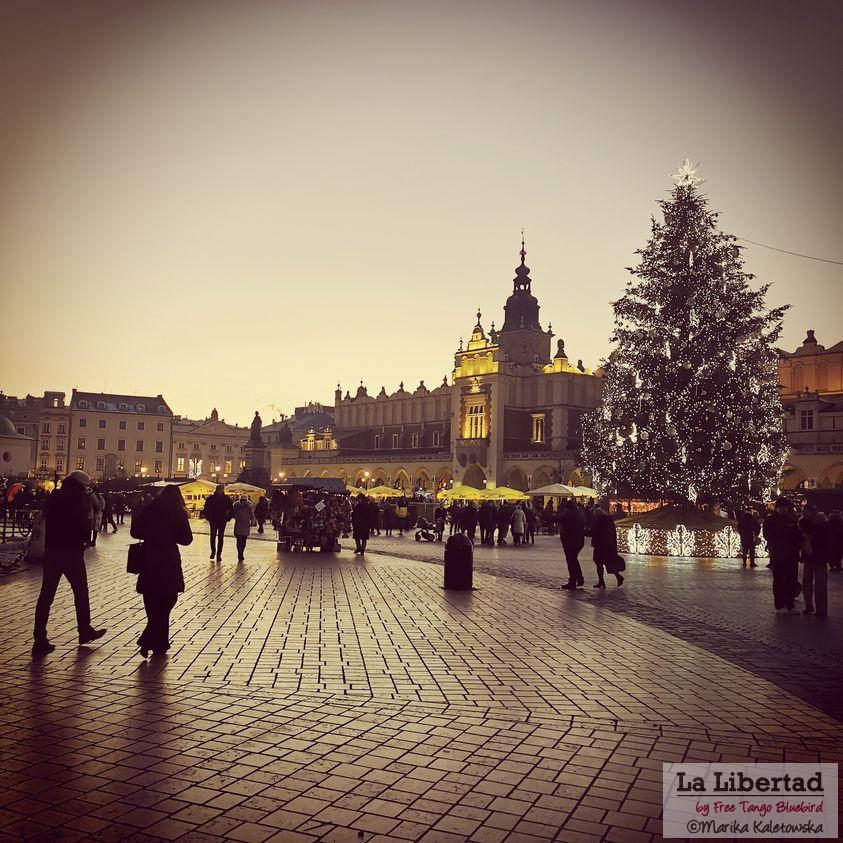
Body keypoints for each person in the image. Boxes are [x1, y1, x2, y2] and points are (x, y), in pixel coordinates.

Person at [33, 471, 106, 655]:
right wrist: (84, 541)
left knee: (46, 595)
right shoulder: (80, 498)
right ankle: (84, 630)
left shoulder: (55, 496)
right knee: (81, 592)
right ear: (82, 484)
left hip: (52, 550)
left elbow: (46, 517)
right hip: (71, 551)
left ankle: (39, 637)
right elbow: (85, 524)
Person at [130, 484, 192, 657]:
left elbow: (135, 532)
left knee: (152, 604)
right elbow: (187, 539)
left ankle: (157, 642)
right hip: (168, 560)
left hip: (149, 559)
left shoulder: (149, 509)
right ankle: (153, 641)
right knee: (167, 602)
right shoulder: (178, 512)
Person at [763, 497, 802, 613]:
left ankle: (790, 604)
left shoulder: (792, 520)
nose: (784, 510)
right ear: (777, 508)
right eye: (782, 508)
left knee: (791, 580)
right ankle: (780, 605)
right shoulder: (770, 520)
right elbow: (767, 535)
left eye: (786, 508)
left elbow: (797, 536)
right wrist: (783, 531)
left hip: (791, 555)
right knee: (779, 580)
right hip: (778, 554)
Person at [802, 510, 829, 617]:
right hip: (820, 559)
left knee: (809, 583)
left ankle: (810, 607)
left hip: (812, 558)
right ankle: (821, 609)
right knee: (820, 584)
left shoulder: (807, 526)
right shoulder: (824, 527)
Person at [591, 506, 624, 588]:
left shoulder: (599, 522)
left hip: (600, 546)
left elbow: (596, 533)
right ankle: (618, 577)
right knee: (608, 563)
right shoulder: (609, 520)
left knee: (599, 563)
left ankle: (601, 581)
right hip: (608, 546)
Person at [559, 499, 585, 589]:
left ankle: (573, 582)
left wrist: (545, 516)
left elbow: (559, 519)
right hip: (579, 541)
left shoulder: (569, 513)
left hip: (570, 541)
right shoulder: (579, 513)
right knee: (574, 560)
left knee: (571, 561)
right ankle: (579, 579)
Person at [203, 484, 233, 561]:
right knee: (213, 536)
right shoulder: (211, 498)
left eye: (221, 489)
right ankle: (213, 551)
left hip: (222, 519)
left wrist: (228, 518)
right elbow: (206, 508)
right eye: (219, 489)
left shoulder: (226, 498)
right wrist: (208, 517)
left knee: (220, 537)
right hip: (213, 519)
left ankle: (219, 554)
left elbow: (231, 509)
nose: (220, 491)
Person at [232, 495, 254, 562]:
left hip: (245, 525)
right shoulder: (236, 506)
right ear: (240, 500)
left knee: (243, 541)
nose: (243, 501)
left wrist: (252, 521)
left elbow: (252, 515)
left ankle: (241, 553)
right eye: (242, 500)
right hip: (238, 525)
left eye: (244, 500)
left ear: (246, 500)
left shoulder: (249, 507)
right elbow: (232, 513)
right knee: (239, 541)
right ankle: (240, 553)